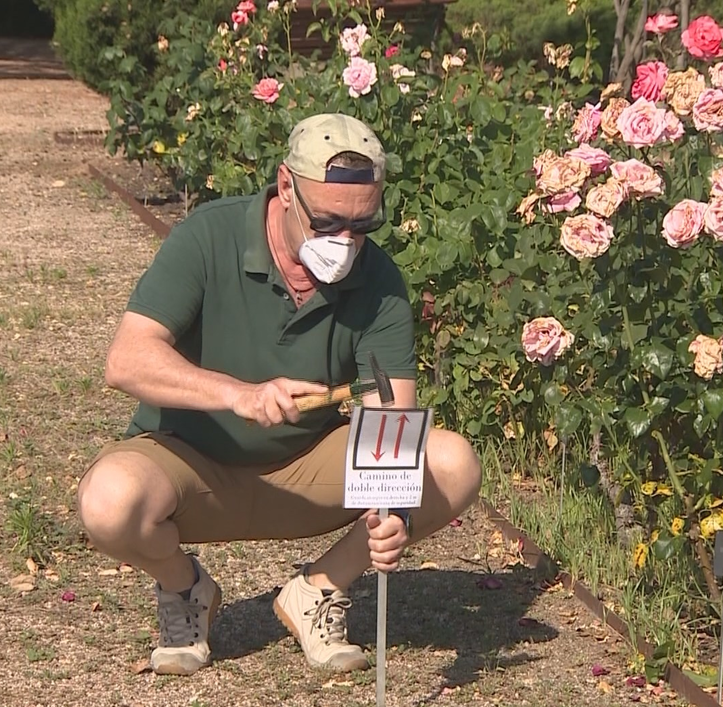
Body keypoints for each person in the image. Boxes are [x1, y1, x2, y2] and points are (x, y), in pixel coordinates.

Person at [75, 112, 481, 677]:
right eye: (329, 221)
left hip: (304, 471)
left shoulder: (379, 279)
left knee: (450, 463)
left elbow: (392, 412)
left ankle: (316, 591)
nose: (345, 242)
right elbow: (126, 360)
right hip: (189, 465)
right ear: (286, 186)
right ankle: (185, 588)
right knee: (107, 501)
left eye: (362, 226)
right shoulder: (208, 236)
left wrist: (394, 513)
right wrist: (237, 394)